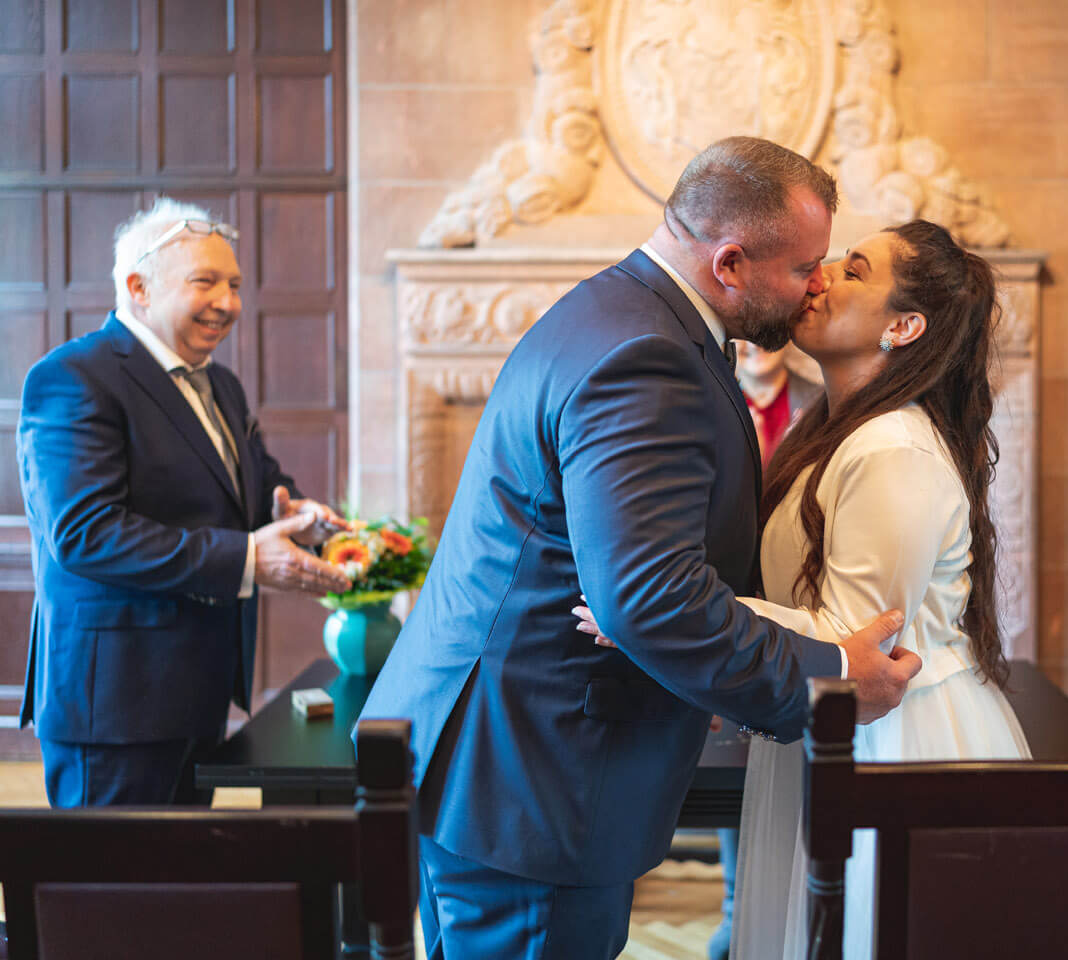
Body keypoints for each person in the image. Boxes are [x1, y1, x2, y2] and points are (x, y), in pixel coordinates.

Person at [355, 137, 920, 960]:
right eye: (805, 267)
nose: (815, 286)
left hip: (507, 756)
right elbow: (648, 598)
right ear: (730, 262)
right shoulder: (646, 356)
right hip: (534, 777)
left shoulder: (627, 312)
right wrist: (829, 677)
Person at [580, 220, 1032, 957]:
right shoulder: (841, 431)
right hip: (837, 729)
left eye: (854, 271)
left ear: (905, 326)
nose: (819, 276)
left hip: (894, 739)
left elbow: (858, 642)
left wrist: (662, 612)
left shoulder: (892, 448)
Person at [17, 198, 353, 808]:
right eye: (206, 282)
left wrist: (296, 517)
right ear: (138, 286)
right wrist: (251, 559)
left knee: (181, 890)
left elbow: (254, 487)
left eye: (234, 285)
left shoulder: (221, 383)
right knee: (116, 895)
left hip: (198, 691)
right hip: (114, 703)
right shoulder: (73, 376)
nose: (228, 303)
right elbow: (84, 533)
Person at [709, 342, 823, 960]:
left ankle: (786, 906)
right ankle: (735, 905)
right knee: (734, 758)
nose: (755, 347)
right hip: (723, 589)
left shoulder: (817, 396)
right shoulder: (709, 389)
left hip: (787, 589)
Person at [737, 341, 823, 466]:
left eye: (767, 329)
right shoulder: (709, 407)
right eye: (742, 334)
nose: (754, 345)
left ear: (788, 339)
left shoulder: (821, 403)